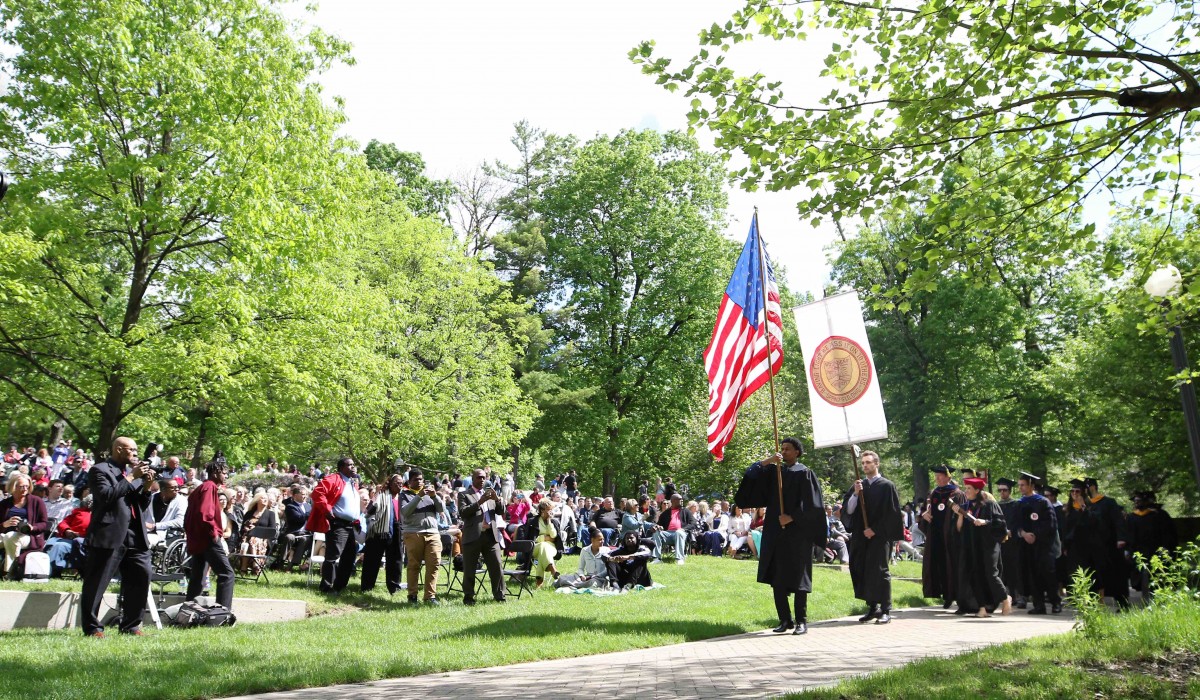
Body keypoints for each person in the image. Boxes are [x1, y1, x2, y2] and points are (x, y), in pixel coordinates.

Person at [736, 438, 827, 634]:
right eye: (782, 449)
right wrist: (768, 460)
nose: (783, 452)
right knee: (777, 576)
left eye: (788, 449)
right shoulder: (774, 471)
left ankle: (801, 621)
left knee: (799, 576)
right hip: (775, 531)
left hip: (798, 533)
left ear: (797, 452)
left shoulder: (805, 473)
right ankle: (785, 620)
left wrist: (792, 517)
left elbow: (813, 506)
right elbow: (751, 474)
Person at [79, 437, 155, 637]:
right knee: (97, 582)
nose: (136, 454)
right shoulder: (100, 470)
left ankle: (131, 625)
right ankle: (93, 628)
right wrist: (131, 478)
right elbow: (106, 497)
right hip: (109, 533)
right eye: (132, 450)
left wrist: (146, 486)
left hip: (135, 533)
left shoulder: (135, 473)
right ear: (119, 450)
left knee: (141, 575)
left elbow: (140, 505)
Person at [841, 450, 903, 625]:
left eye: (868, 462)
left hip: (879, 536)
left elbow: (892, 514)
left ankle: (885, 609)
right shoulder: (859, 486)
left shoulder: (886, 486)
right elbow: (849, 510)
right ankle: (872, 607)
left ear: (877, 464)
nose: (865, 465)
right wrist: (855, 493)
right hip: (861, 535)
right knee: (863, 569)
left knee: (879, 571)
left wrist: (874, 530)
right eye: (863, 463)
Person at [951, 477, 1011, 617]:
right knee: (976, 575)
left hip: (989, 545)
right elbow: (958, 529)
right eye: (965, 488)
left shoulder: (989, 505)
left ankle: (1005, 598)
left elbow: (1000, 525)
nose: (966, 491)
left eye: (969, 489)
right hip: (972, 545)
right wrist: (959, 515)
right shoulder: (965, 507)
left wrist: (984, 522)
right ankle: (982, 608)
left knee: (991, 573)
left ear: (977, 490)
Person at [305, 457, 362, 594]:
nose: (353, 467)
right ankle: (326, 587)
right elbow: (318, 493)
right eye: (350, 465)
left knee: (349, 556)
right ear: (341, 468)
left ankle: (339, 586)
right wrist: (327, 509)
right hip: (338, 524)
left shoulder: (352, 483)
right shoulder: (333, 479)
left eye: (354, 465)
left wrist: (356, 520)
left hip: (350, 525)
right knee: (333, 556)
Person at [184, 459, 234, 610]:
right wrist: (214, 534)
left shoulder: (201, 488)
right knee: (227, 574)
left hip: (198, 538)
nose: (226, 476)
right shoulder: (209, 487)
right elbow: (205, 514)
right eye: (224, 473)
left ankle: (189, 609)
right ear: (215, 473)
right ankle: (223, 611)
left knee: (198, 576)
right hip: (207, 538)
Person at [457, 468, 507, 604]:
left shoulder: (490, 494)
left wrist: (497, 500)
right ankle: (468, 598)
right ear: (472, 478)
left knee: (497, 567)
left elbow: (501, 511)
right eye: (479, 477)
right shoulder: (464, 494)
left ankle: (500, 596)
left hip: (490, 535)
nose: (482, 480)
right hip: (472, 535)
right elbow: (463, 512)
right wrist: (480, 501)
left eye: (484, 477)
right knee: (470, 569)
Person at [1015, 471, 1061, 615]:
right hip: (1027, 545)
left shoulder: (1042, 502)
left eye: (1023, 485)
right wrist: (1022, 533)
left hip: (1043, 546)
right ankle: (1039, 605)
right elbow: (1015, 523)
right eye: (1019, 485)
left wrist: (1035, 535)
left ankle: (1055, 602)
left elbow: (1051, 524)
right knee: (1032, 575)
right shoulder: (1020, 503)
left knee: (1048, 575)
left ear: (1031, 485)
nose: (1020, 488)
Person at [921, 464, 967, 609]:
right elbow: (924, 513)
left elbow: (963, 515)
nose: (938, 478)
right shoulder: (933, 494)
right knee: (939, 566)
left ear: (948, 477)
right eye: (936, 476)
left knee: (953, 566)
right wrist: (924, 515)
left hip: (952, 538)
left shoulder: (957, 494)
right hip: (936, 537)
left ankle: (958, 596)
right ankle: (946, 595)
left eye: (940, 476)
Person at [400, 467, 444, 605]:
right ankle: (412, 596)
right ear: (409, 481)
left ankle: (430, 597)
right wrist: (418, 496)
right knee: (414, 565)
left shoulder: (431, 495)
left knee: (434, 564)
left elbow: (441, 509)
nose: (419, 482)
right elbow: (405, 512)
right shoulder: (405, 495)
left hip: (433, 533)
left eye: (421, 479)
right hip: (413, 533)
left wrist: (434, 496)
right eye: (415, 480)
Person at [1126, 489, 1177, 602]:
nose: (1136, 503)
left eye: (1139, 501)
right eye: (1135, 501)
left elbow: (1169, 534)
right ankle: (1147, 600)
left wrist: (1166, 547)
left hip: (1156, 551)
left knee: (1158, 576)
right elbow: (1129, 536)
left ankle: (1160, 599)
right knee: (1143, 576)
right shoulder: (1132, 517)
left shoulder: (1160, 515)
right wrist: (1128, 550)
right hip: (1139, 552)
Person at [360, 474, 403, 595]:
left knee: (395, 561)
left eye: (401, 483)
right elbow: (368, 511)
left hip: (397, 530)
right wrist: (376, 494)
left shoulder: (402, 496)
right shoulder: (382, 494)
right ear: (390, 483)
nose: (399, 485)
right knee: (372, 560)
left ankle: (394, 587)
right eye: (396, 483)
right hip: (378, 531)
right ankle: (367, 587)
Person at [1, 472, 49, 577]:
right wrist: (5, 524)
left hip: (29, 536)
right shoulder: (4, 504)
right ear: (13, 487)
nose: (25, 489)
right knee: (8, 536)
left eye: (27, 486)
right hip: (5, 534)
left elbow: (44, 523)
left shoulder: (37, 501)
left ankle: (9, 573)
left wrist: (33, 527)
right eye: (22, 486)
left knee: (10, 537)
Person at [654, 493, 696, 564]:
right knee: (656, 533)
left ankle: (679, 559)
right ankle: (657, 558)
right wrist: (658, 527)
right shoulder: (665, 513)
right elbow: (659, 524)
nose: (682, 501)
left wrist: (683, 529)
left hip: (681, 533)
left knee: (678, 532)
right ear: (673, 501)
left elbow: (693, 523)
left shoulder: (686, 511)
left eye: (682, 500)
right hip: (668, 533)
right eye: (680, 500)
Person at [530, 499, 561, 588]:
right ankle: (552, 569)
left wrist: (549, 522)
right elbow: (532, 538)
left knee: (542, 553)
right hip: (535, 547)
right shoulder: (533, 521)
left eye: (552, 509)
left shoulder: (554, 521)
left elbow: (554, 535)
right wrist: (545, 538)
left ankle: (539, 581)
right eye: (549, 509)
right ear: (542, 510)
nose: (551, 512)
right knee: (542, 546)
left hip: (551, 548)